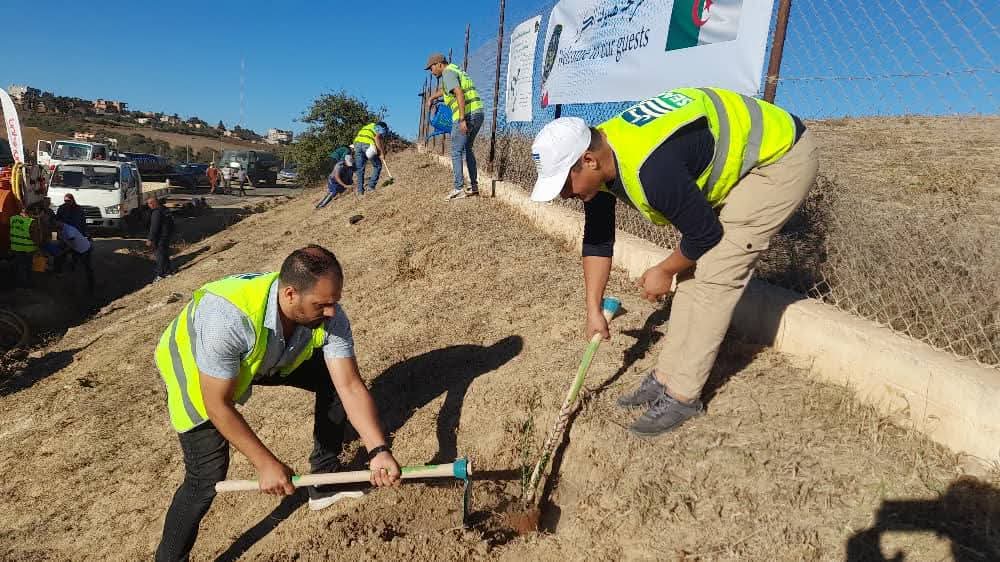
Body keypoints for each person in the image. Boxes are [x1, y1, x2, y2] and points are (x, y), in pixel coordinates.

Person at [529, 87, 819, 436]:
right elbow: (598, 240)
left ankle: (683, 395)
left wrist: (665, 270)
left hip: (779, 159)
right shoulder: (603, 157)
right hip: (743, 158)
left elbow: (706, 234)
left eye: (565, 184)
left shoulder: (651, 169)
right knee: (692, 273)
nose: (566, 195)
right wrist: (593, 308)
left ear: (588, 161)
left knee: (716, 272)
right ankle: (666, 377)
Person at [153, 245, 402, 561]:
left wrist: (378, 450)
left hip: (267, 353)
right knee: (206, 474)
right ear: (290, 294)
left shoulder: (328, 313)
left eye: (334, 302)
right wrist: (265, 463)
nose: (331, 312)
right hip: (196, 367)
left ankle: (324, 482)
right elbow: (217, 405)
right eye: (321, 304)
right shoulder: (227, 319)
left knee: (331, 381)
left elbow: (349, 385)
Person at [425, 53, 485, 201]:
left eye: (431, 68)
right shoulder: (455, 70)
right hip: (478, 113)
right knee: (468, 149)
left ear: (439, 64)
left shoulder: (447, 73)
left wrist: (462, 119)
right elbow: (447, 90)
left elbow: (458, 93)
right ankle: (474, 186)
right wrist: (433, 97)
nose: (431, 72)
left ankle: (459, 189)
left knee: (456, 151)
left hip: (466, 115)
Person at [52, 220, 95, 296]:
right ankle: (74, 283)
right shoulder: (60, 229)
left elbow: (71, 245)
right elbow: (64, 241)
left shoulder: (69, 231)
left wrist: (62, 252)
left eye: (55, 224)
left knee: (87, 267)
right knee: (75, 264)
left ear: (60, 222)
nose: (55, 226)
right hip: (77, 248)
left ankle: (91, 286)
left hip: (84, 249)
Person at [9, 204, 44, 288]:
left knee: (19, 266)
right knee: (28, 267)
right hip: (28, 248)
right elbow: (36, 237)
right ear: (30, 211)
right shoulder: (31, 221)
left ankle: (19, 285)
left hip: (15, 247)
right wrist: (39, 248)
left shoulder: (12, 218)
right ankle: (27, 285)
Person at [352, 121, 388, 195]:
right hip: (367, 145)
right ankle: (371, 187)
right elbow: (377, 138)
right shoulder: (380, 127)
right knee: (377, 165)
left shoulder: (368, 126)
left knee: (360, 169)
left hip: (357, 145)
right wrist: (381, 153)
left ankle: (360, 191)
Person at [146, 195, 175, 282]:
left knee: (160, 255)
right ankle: (168, 272)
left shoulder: (157, 212)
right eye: (148, 203)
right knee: (165, 254)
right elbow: (172, 223)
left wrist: (150, 239)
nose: (149, 205)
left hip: (160, 237)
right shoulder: (165, 209)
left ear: (154, 203)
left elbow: (154, 227)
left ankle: (160, 274)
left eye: (150, 203)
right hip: (167, 235)